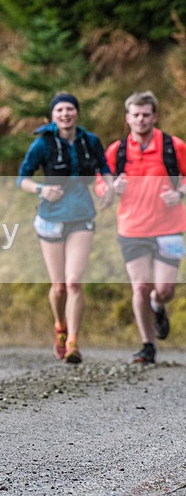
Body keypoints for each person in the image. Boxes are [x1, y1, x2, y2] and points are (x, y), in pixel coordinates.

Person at [17, 93, 114, 364]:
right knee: (59, 286)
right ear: (53, 115)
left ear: (77, 113)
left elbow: (104, 167)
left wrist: (108, 188)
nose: (65, 114)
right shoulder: (42, 144)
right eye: (60, 110)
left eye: (70, 109)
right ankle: (60, 326)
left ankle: (73, 342)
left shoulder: (90, 141)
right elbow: (21, 178)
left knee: (73, 282)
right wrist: (41, 189)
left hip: (82, 215)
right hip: (50, 217)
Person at [99, 91, 186, 364]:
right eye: (135, 115)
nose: (141, 119)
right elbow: (101, 186)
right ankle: (147, 345)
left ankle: (158, 306)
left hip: (170, 226)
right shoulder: (117, 151)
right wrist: (113, 188)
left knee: (163, 288)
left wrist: (180, 193)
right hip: (132, 228)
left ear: (155, 116)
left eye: (146, 114)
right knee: (140, 286)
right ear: (128, 118)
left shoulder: (174, 146)